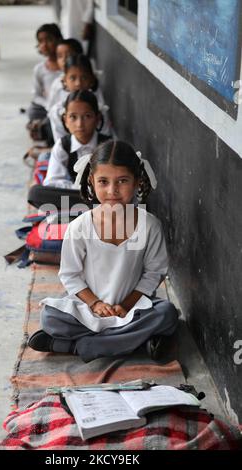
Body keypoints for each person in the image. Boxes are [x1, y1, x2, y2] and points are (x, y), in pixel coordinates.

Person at [28, 140, 178, 363]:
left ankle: (75, 346)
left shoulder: (149, 225)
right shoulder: (80, 226)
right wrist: (96, 304)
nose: (112, 190)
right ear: (92, 181)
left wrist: (126, 305)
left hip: (132, 308)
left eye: (122, 181)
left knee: (167, 313)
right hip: (88, 308)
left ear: (137, 182)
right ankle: (132, 342)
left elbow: (153, 273)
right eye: (103, 181)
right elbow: (70, 275)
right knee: (50, 317)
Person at [28, 90, 110, 210]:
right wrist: (78, 188)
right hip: (77, 197)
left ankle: (82, 208)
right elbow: (52, 181)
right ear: (65, 120)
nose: (80, 124)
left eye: (87, 116)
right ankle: (87, 208)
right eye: (73, 117)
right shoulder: (63, 145)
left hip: (100, 197)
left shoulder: (107, 145)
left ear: (97, 118)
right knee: (35, 193)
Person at [48, 54, 112, 142]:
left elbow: (106, 141)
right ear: (64, 80)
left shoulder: (100, 109)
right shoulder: (57, 112)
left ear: (91, 80)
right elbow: (60, 144)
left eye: (84, 78)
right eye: (72, 78)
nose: (78, 83)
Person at [27, 23, 63, 122]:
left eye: (49, 40)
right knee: (32, 111)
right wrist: (48, 105)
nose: (44, 45)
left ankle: (43, 127)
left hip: (67, 105)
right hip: (48, 106)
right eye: (40, 41)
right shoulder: (39, 69)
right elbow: (36, 96)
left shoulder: (67, 65)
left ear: (58, 40)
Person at [47, 38, 83, 112]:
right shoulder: (57, 84)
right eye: (60, 56)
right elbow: (50, 109)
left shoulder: (88, 81)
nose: (64, 59)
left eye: (69, 55)